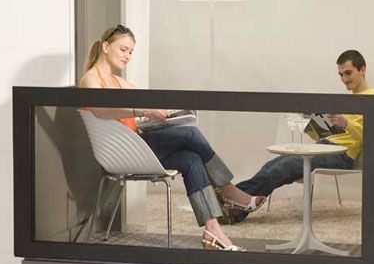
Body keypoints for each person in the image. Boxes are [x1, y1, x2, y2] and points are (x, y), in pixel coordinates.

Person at [79, 24, 265, 251]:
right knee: (191, 134)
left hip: (137, 143)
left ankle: (213, 231)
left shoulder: (121, 83)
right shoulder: (91, 79)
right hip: (123, 151)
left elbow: (140, 111)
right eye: (123, 49)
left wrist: (165, 113)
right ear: (106, 46)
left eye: (131, 52)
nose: (128, 56)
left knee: (191, 159)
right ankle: (229, 191)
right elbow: (101, 111)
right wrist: (144, 112)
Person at [230, 49, 374, 223]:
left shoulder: (373, 98)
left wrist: (346, 123)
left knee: (286, 166)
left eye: (348, 73)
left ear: (362, 70)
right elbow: (330, 133)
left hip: (342, 155)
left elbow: (372, 135)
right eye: (340, 75)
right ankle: (237, 206)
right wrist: (310, 122)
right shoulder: (349, 100)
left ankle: (232, 198)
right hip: (324, 145)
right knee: (273, 165)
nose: (344, 79)